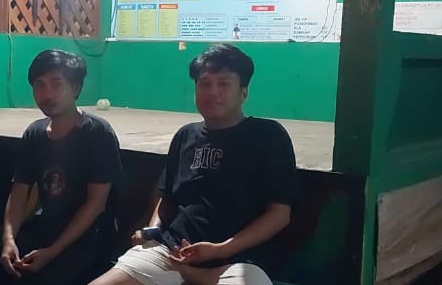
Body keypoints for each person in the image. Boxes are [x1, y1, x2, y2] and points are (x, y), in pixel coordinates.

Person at [91, 44, 298, 285]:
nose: (213, 92)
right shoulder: (185, 136)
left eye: (224, 84)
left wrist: (221, 249)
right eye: (205, 84)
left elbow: (279, 215)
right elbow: (167, 199)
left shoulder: (268, 136)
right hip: (171, 254)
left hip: (236, 263)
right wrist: (153, 232)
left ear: (244, 92)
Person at [0, 49, 123, 285]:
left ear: (75, 88)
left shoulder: (98, 133)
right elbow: (18, 194)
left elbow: (96, 204)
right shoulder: (35, 133)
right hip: (46, 227)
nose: (47, 94)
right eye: (39, 85)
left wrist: (52, 252)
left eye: (57, 84)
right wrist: (8, 240)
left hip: (88, 236)